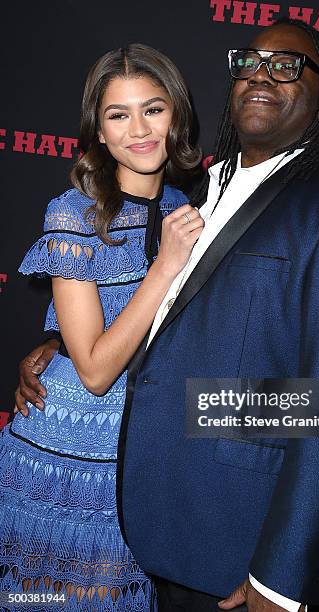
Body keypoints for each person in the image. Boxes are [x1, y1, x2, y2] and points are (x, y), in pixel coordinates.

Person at [16, 18, 319, 612]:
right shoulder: (200, 194)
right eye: (250, 62)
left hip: (232, 541)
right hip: (138, 505)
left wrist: (282, 574)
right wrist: (60, 344)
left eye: (287, 66)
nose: (262, 74)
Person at [1, 43, 204, 609]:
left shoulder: (190, 212)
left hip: (139, 463)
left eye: (153, 109)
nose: (138, 129)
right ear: (99, 130)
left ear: (177, 116)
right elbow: (92, 369)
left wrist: (50, 339)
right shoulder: (72, 213)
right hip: (59, 457)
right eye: (119, 114)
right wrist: (165, 266)